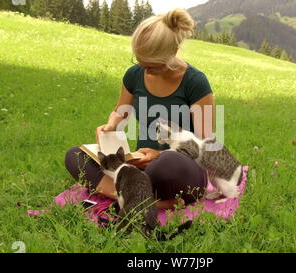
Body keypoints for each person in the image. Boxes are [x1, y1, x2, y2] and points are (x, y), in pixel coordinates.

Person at [65, 8, 215, 210]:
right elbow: (120, 111)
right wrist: (111, 126)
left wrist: (158, 155)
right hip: (141, 169)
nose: (145, 71)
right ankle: (147, 202)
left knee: (167, 164)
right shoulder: (134, 75)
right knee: (75, 156)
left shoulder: (196, 83)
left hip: (180, 169)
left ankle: (132, 195)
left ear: (172, 52)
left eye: (152, 67)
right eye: (140, 62)